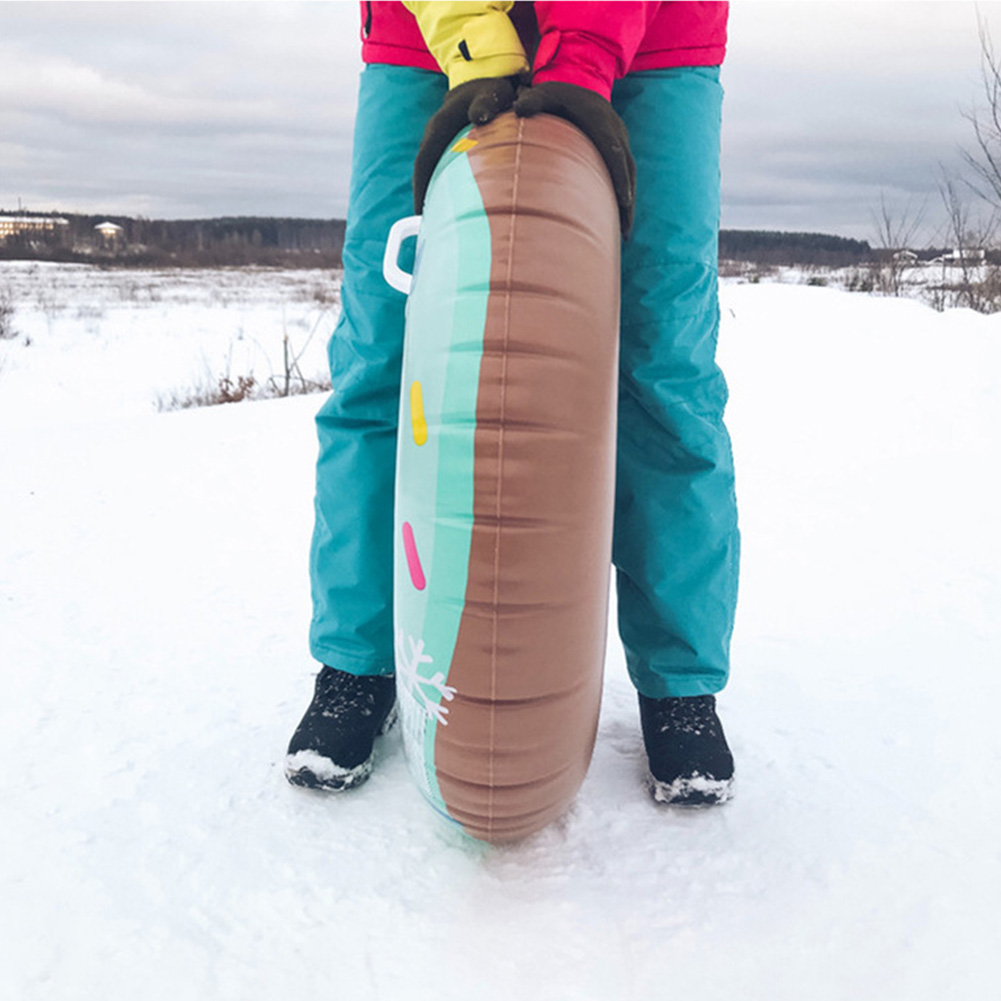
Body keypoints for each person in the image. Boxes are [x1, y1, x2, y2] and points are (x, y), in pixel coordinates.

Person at [285, 1, 739, 807]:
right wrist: (467, 30)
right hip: (422, 36)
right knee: (383, 352)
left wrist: (585, 52)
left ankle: (679, 683)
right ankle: (357, 661)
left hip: (655, 40)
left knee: (665, 364)